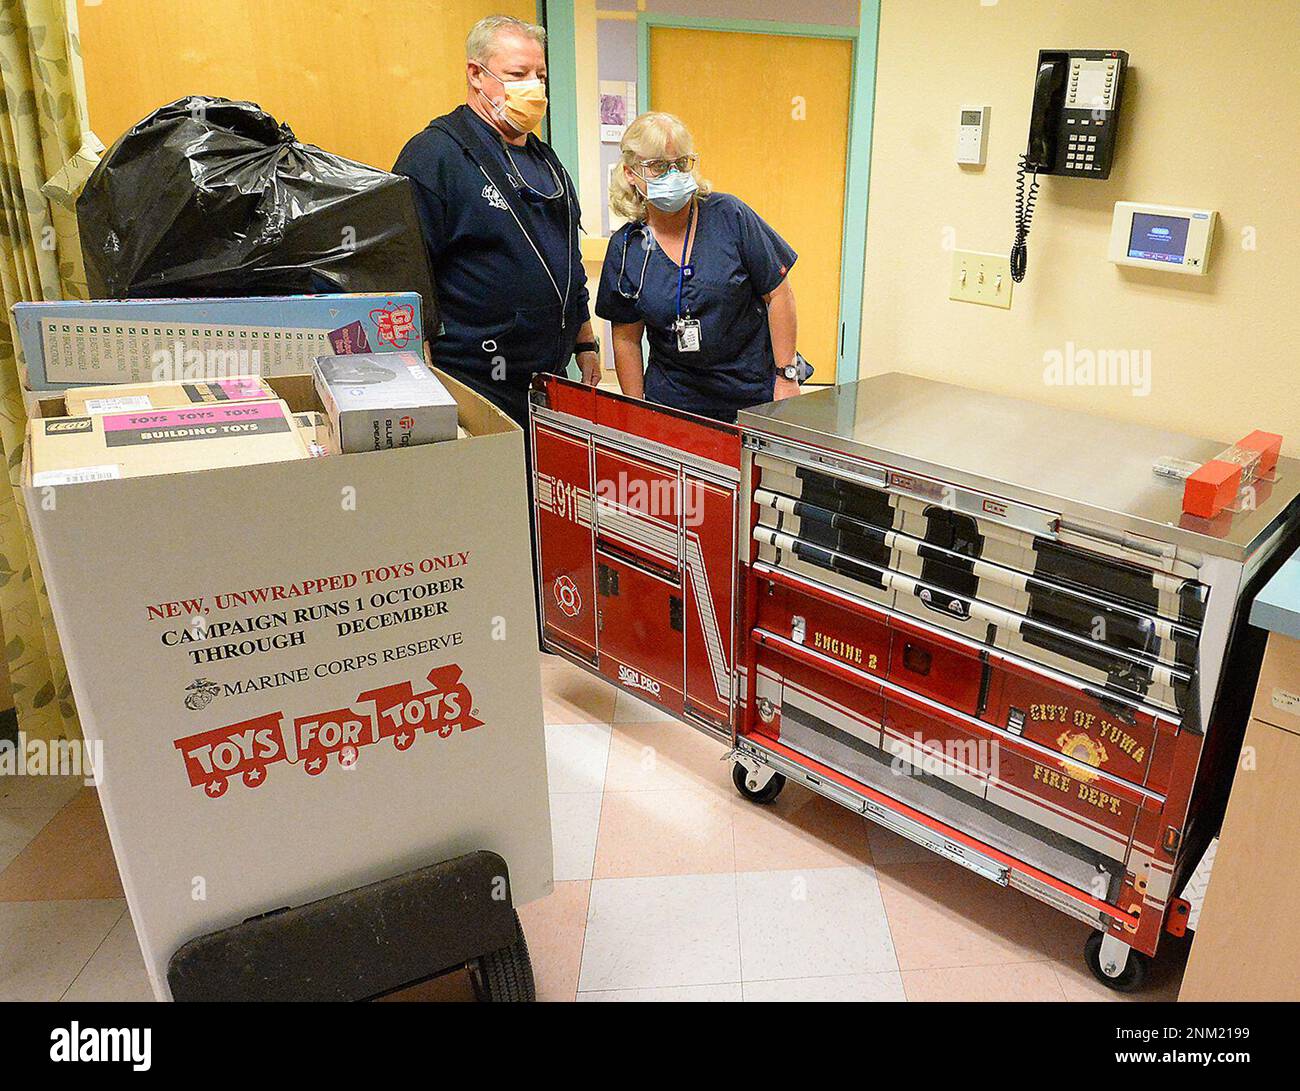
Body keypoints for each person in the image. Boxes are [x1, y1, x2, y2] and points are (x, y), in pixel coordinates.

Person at [394, 14, 600, 428]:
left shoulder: (548, 163)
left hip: (545, 382)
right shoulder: (436, 156)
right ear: (476, 74)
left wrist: (586, 343)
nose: (535, 87)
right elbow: (404, 274)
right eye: (518, 74)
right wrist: (419, 376)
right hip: (471, 381)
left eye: (540, 75)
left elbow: (567, 262)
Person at [595, 112, 803, 424]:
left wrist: (786, 377)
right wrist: (637, 411)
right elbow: (626, 337)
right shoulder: (626, 248)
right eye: (658, 166)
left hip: (750, 389)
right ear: (630, 173)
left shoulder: (729, 216)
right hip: (674, 396)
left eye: (680, 163)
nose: (672, 174)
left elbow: (779, 294)